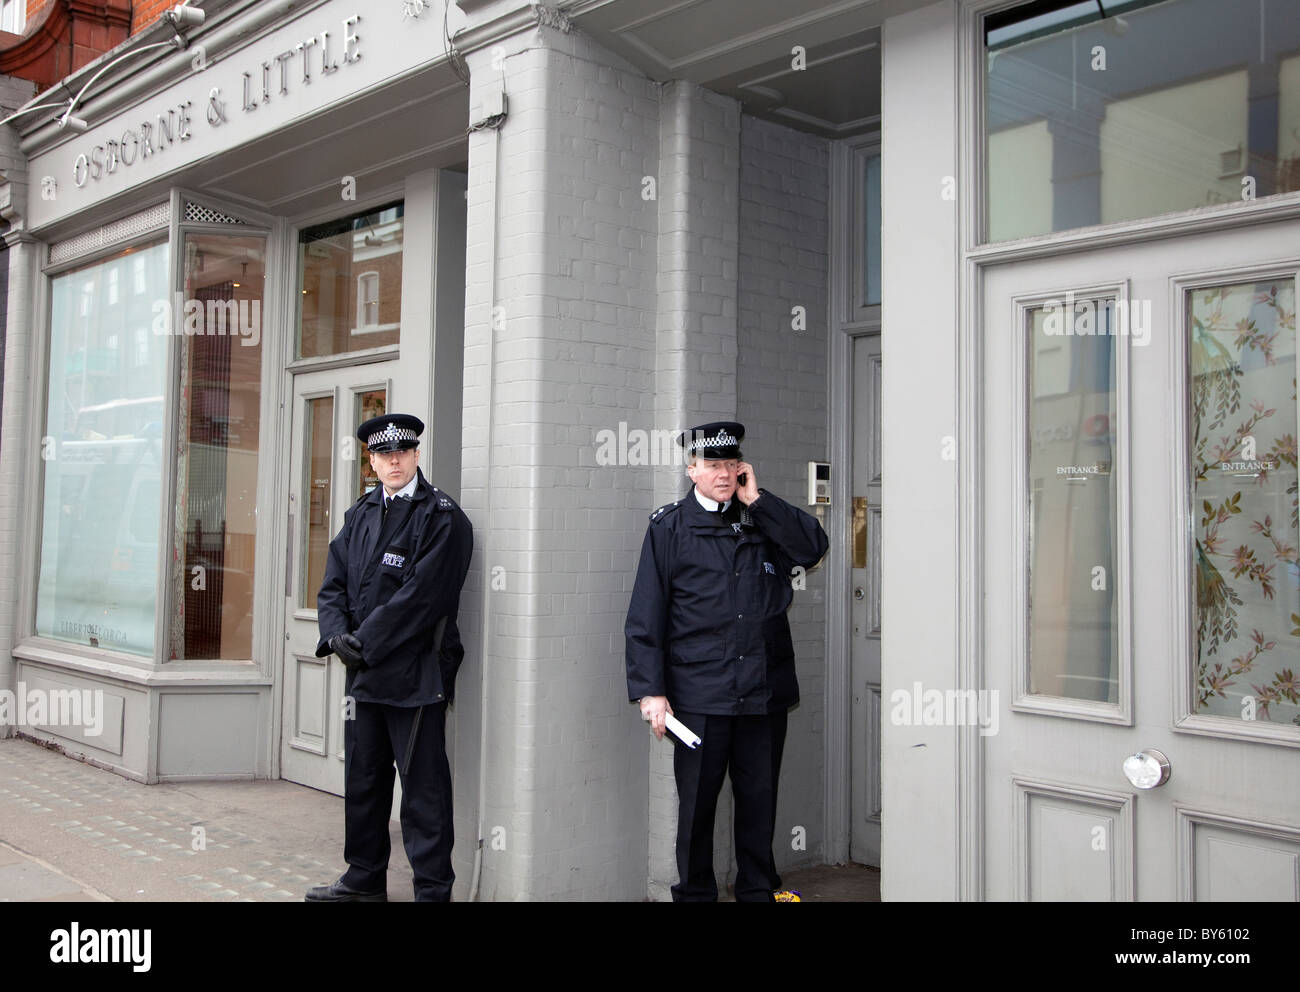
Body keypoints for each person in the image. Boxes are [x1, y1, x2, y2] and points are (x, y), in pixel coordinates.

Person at [625, 421, 829, 902]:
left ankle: (757, 892)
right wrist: (651, 692)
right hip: (700, 695)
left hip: (763, 690)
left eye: (731, 464)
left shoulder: (763, 518)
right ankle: (695, 895)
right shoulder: (669, 527)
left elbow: (812, 547)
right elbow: (646, 613)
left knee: (759, 802)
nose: (724, 473)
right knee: (696, 807)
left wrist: (759, 501)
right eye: (713, 465)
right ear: (691, 468)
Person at [306, 413, 473, 903]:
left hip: (415, 675)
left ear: (417, 455)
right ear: (372, 461)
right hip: (363, 674)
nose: (393, 461)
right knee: (363, 779)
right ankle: (363, 879)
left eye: (402, 452)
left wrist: (364, 643)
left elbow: (425, 598)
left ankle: (433, 891)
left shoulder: (442, 516)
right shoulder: (359, 514)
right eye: (383, 454)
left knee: (423, 793)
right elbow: (333, 582)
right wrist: (336, 635)